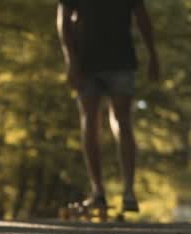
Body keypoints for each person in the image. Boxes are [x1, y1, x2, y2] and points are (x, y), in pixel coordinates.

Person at [57, 0, 160, 212]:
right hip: (91, 62)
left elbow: (142, 17)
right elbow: (64, 22)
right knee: (100, 120)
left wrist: (153, 55)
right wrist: (72, 62)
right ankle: (103, 191)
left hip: (114, 60)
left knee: (110, 120)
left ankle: (122, 191)